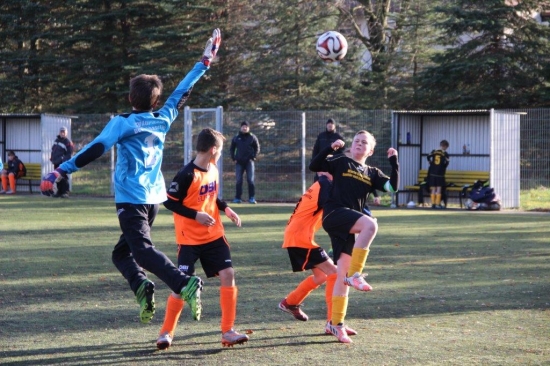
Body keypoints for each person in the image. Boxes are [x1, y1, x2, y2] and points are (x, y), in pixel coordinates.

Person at [40, 28, 222, 328]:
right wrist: (204, 62)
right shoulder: (163, 117)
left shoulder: (122, 122)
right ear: (155, 100)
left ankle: (182, 283)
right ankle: (142, 286)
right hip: (153, 200)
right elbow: (183, 91)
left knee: (141, 250)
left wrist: (62, 170)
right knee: (122, 254)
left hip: (132, 198)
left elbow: (97, 147)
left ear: (130, 97)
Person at [157, 127, 248, 350]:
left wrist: (226, 209)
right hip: (189, 238)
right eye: (221, 150)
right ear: (213, 149)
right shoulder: (187, 174)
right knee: (181, 285)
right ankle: (166, 333)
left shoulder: (213, 168)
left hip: (214, 235)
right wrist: (195, 215)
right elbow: (168, 202)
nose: (221, 154)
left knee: (228, 274)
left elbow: (213, 195)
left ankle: (228, 331)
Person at [309, 130, 399, 343]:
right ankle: (356, 273)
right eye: (356, 141)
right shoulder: (340, 161)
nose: (359, 144)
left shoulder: (372, 172)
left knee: (342, 276)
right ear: (351, 146)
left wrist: (394, 162)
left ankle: (335, 324)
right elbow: (315, 166)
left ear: (371, 149)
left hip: (348, 222)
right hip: (334, 214)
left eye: (364, 142)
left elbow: (392, 187)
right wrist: (331, 148)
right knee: (370, 224)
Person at [278, 172, 358, 337]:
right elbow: (335, 212)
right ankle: (332, 323)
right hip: (300, 238)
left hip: (297, 235)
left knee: (321, 276)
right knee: (335, 273)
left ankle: (290, 303)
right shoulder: (324, 185)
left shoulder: (321, 185)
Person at [229, 121, 260, 204]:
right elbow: (232, 148)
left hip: (249, 162)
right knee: (239, 180)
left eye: (246, 126)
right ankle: (237, 198)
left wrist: (254, 157)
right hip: (239, 162)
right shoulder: (236, 137)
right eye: (243, 126)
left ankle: (252, 198)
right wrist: (233, 158)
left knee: (250, 180)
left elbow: (257, 148)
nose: (244, 128)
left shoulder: (252, 137)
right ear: (240, 127)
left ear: (248, 128)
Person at [312, 118, 344, 183]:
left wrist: (333, 157)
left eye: (332, 123)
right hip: (321, 162)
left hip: (332, 164)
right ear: (326, 125)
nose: (330, 125)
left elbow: (342, 152)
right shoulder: (321, 136)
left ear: (334, 125)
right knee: (318, 183)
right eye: (328, 123)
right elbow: (316, 149)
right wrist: (314, 160)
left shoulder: (338, 137)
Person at [50, 126, 75, 198]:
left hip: (62, 163)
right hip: (56, 162)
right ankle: (59, 192)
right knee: (57, 177)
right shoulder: (56, 140)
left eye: (64, 132)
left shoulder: (68, 142)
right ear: (59, 132)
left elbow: (69, 154)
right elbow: (53, 150)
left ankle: (66, 192)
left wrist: (64, 161)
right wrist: (52, 158)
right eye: (61, 131)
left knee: (63, 177)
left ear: (66, 133)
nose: (62, 133)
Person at [427, 140, 450, 209]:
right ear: (445, 146)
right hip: (440, 174)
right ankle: (437, 204)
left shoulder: (434, 151)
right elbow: (447, 162)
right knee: (439, 188)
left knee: (433, 188)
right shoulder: (445, 153)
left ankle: (433, 204)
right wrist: (443, 168)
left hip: (432, 173)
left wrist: (431, 163)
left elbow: (428, 156)